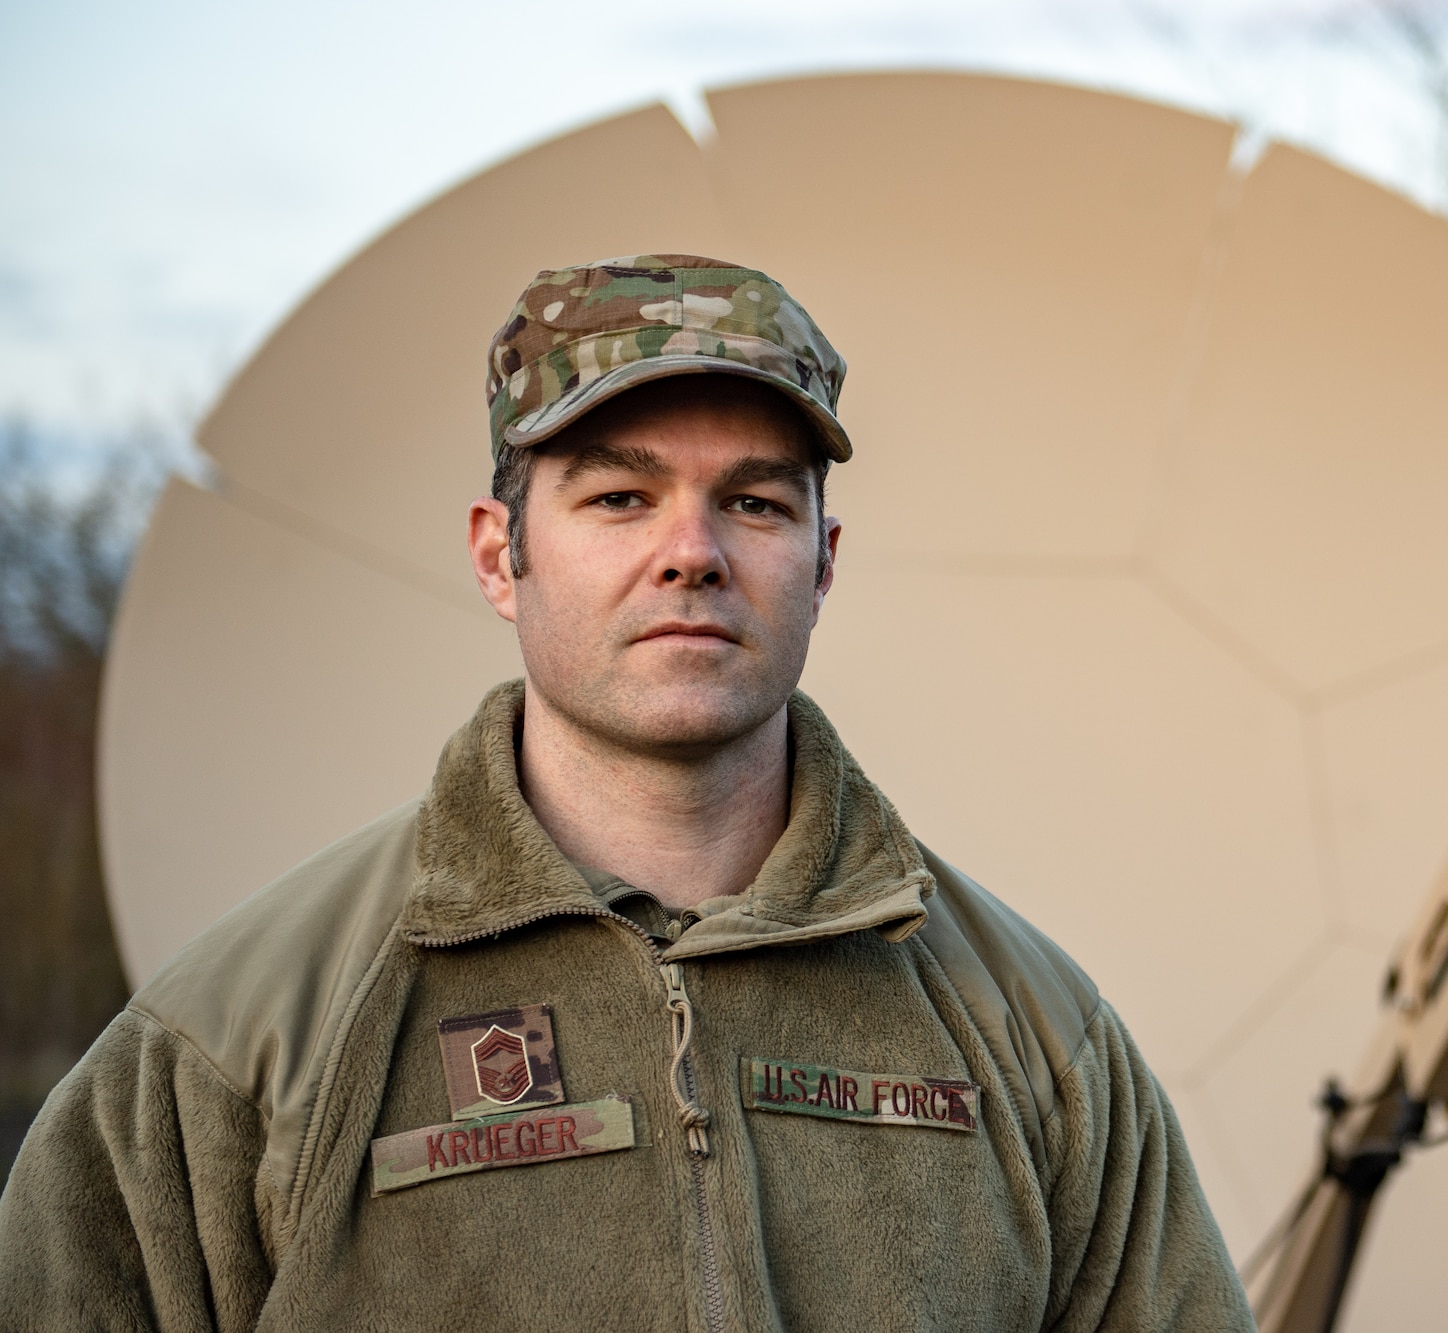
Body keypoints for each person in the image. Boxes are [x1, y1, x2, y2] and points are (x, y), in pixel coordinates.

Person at [0, 255, 1253, 1330]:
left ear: (821, 563)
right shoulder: (243, 1042)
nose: (693, 551)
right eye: (618, 497)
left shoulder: (1031, 1036)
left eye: (754, 502)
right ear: (502, 554)